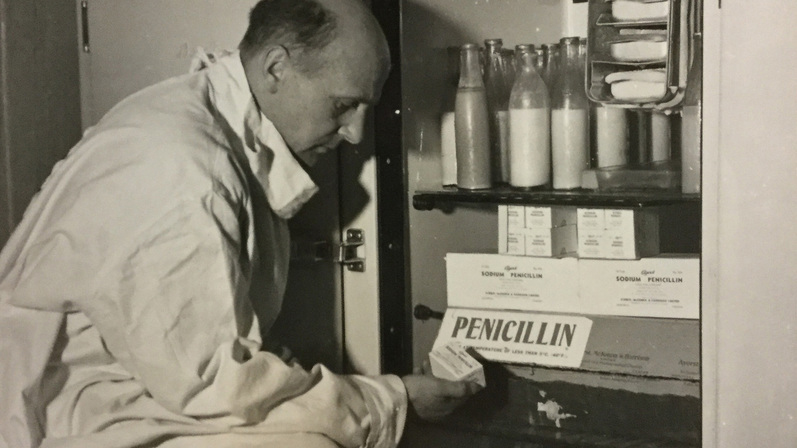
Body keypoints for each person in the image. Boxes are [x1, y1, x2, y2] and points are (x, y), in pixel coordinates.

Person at [0, 0, 482, 447]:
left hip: (138, 390)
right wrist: (394, 398)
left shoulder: (211, 122)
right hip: (70, 409)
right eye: (343, 106)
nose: (356, 133)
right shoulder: (186, 172)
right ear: (276, 68)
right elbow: (222, 390)